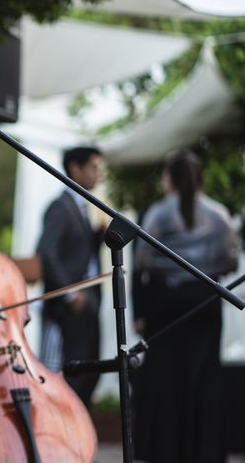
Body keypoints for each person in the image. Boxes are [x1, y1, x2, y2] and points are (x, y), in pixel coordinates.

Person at [132, 149, 238, 463]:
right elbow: (230, 261)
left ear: (171, 179)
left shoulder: (157, 213)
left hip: (165, 304)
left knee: (165, 383)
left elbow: (141, 262)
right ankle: (204, 452)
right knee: (205, 380)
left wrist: (140, 311)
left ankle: (166, 452)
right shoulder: (219, 214)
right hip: (205, 302)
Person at [36, 146, 105, 407]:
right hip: (70, 307)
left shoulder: (81, 206)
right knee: (71, 374)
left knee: (89, 371)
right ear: (75, 169)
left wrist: (97, 238)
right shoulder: (61, 206)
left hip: (88, 302)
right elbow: (46, 252)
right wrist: (70, 293)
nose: (99, 174)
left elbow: (76, 252)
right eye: (94, 167)